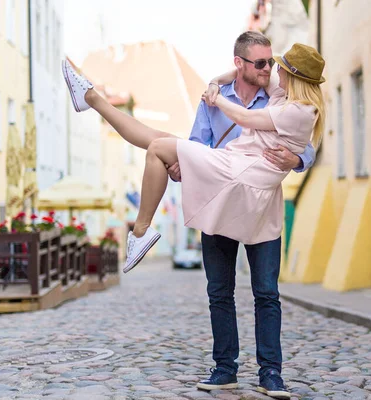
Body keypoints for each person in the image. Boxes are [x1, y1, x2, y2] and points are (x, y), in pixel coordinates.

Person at [62, 38, 325, 399]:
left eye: (271, 64)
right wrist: (180, 161)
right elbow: (196, 142)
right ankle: (225, 369)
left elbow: (305, 147)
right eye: (260, 64)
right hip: (220, 190)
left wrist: (295, 160)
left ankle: (271, 374)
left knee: (267, 293)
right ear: (240, 62)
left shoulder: (284, 98)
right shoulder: (231, 95)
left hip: (257, 200)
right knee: (220, 291)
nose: (268, 70)